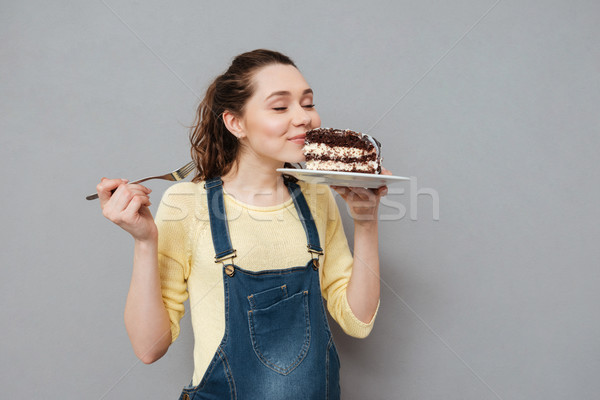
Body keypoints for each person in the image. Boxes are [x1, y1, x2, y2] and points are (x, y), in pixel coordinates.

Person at [96, 49, 391, 400]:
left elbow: (356, 322)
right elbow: (149, 348)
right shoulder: (186, 204)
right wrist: (144, 242)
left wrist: (366, 222)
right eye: (280, 107)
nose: (304, 118)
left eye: (308, 103)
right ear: (235, 123)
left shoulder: (316, 197)